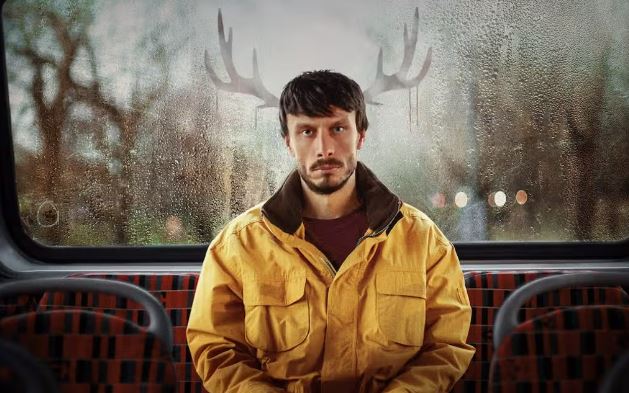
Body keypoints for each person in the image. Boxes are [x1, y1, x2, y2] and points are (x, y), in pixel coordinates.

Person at [187, 70, 475, 392]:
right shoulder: (237, 246)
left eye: (338, 128)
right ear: (288, 142)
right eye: (307, 132)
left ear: (360, 135)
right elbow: (217, 349)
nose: (324, 148)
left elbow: (446, 347)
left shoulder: (423, 241)